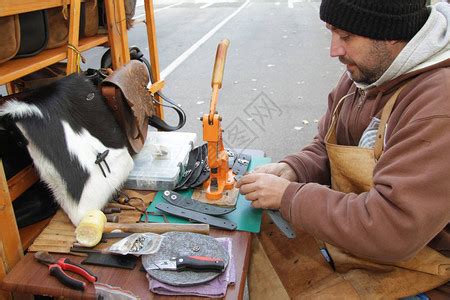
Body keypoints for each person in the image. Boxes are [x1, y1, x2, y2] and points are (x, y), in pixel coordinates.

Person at [237, 0, 450, 298]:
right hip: (357, 248)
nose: (334, 50)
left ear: (390, 32)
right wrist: (293, 169)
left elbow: (393, 226)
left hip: (419, 274)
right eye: (332, 33)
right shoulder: (366, 72)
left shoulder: (437, 104)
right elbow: (327, 146)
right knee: (259, 242)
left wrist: (288, 196)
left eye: (347, 37)